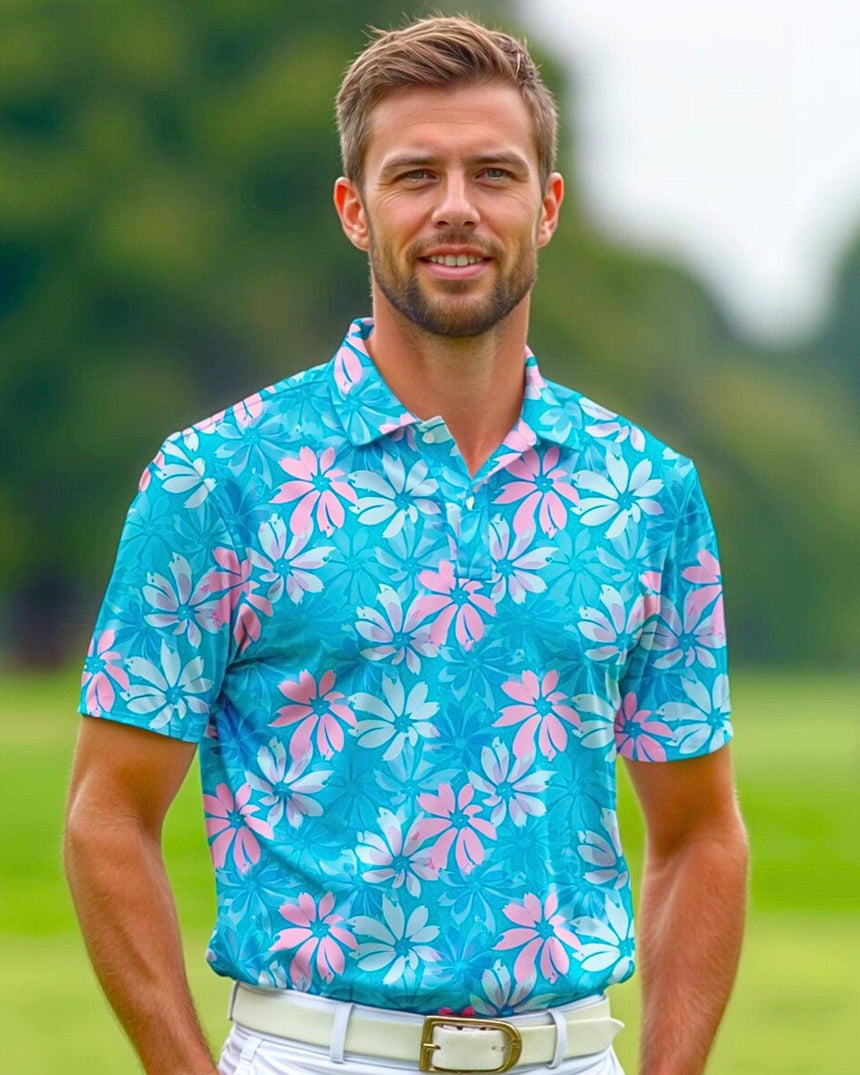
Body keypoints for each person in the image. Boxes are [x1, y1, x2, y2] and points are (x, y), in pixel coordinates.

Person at [65, 15, 748, 1075]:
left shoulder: (644, 493)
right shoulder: (221, 478)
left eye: (493, 173)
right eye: (415, 175)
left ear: (547, 205)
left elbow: (701, 831)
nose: (456, 207)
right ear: (354, 208)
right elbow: (105, 813)